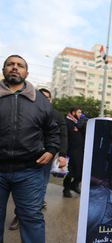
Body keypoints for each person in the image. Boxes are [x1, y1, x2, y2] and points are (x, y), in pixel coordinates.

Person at [0, 55, 60, 243]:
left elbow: (53, 130)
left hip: (29, 171)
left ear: (27, 72)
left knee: (32, 219)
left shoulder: (40, 100)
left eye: (20, 65)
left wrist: (51, 151)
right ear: (3, 70)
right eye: (10, 64)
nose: (15, 68)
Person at [8, 88, 68, 230]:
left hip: (47, 157)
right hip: (27, 158)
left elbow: (63, 136)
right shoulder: (25, 111)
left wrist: (62, 155)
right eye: (41, 97)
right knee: (23, 189)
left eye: (47, 98)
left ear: (51, 100)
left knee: (41, 186)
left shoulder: (57, 116)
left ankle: (31, 215)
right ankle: (20, 215)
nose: (44, 100)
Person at [63, 106, 84, 198]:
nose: (81, 114)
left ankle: (74, 185)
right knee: (69, 172)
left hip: (80, 152)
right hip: (70, 152)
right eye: (79, 112)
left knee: (81, 171)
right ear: (73, 112)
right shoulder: (66, 122)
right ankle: (66, 189)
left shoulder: (79, 123)